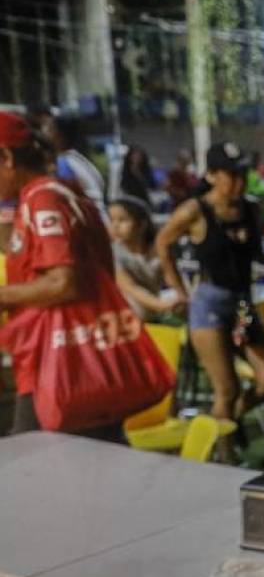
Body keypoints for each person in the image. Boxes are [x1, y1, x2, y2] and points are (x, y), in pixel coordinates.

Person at [0, 113, 125, 441]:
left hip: (61, 363)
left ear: (6, 157)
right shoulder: (48, 195)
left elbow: (63, 282)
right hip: (73, 359)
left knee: (31, 466)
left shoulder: (44, 198)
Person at [155, 141, 264, 423]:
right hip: (209, 305)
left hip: (241, 304)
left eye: (242, 174)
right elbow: (163, 243)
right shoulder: (195, 211)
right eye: (231, 175)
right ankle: (224, 457)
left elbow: (253, 253)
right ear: (213, 175)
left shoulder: (250, 210)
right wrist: (179, 290)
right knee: (226, 389)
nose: (239, 182)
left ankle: (229, 423)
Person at [109, 196, 179, 320]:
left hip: (154, 300)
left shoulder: (158, 249)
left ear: (142, 225)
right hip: (130, 303)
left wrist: (181, 298)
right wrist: (161, 305)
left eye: (122, 220)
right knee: (135, 308)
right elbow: (130, 287)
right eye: (112, 220)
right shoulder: (113, 252)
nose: (115, 226)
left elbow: (172, 278)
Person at [31, 111, 107, 213]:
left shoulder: (63, 163)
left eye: (49, 128)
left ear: (60, 135)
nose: (43, 131)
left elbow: (66, 196)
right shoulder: (76, 157)